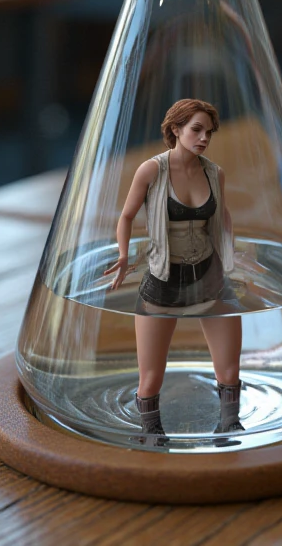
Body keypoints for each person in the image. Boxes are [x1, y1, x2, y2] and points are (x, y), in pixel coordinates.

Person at [103, 99, 244, 441]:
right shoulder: (152, 170)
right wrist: (124, 256)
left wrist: (232, 252)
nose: (203, 138)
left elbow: (222, 214)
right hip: (164, 280)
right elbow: (125, 216)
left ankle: (230, 426)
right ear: (175, 129)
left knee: (228, 367)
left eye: (208, 132)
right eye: (196, 129)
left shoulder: (214, 172)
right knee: (151, 375)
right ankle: (151, 433)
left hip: (209, 276)